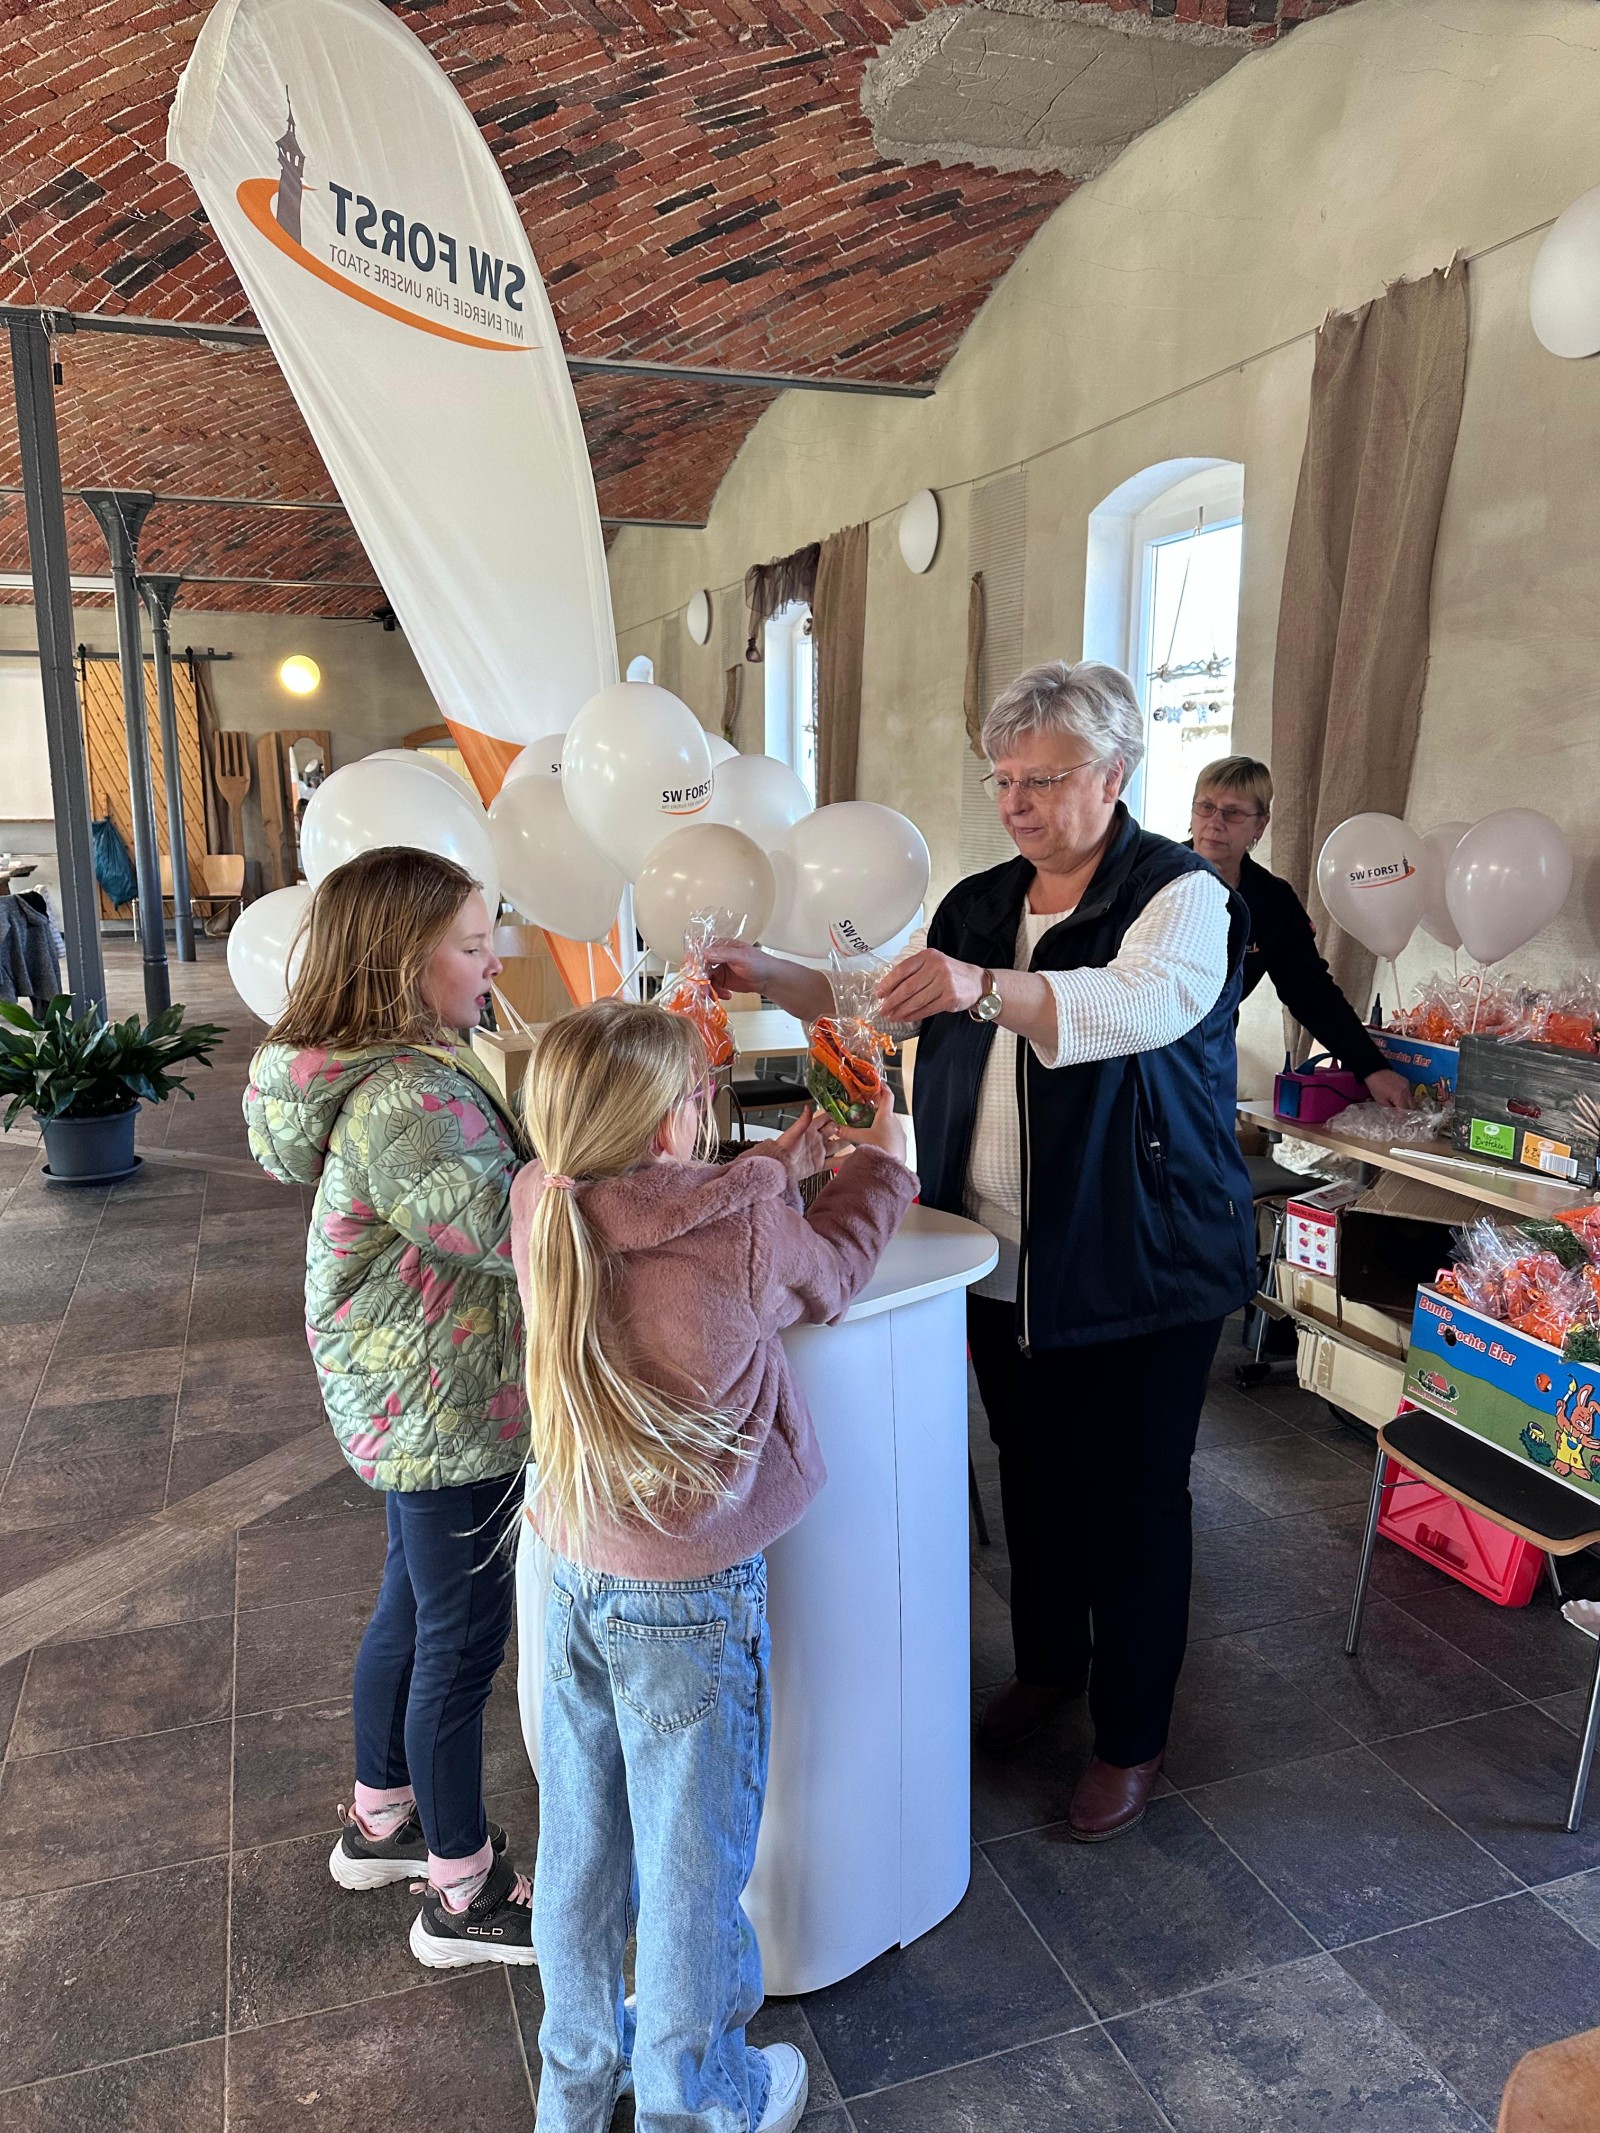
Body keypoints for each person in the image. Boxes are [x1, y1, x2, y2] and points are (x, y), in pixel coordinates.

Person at [710, 659, 1256, 1843]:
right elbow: (883, 993)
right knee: (1034, 1474)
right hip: (994, 1253)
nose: (1015, 802)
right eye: (1002, 780)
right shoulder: (977, 900)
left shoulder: (1181, 897)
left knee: (1136, 1501)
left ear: (1113, 775)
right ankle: (1051, 1664)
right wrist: (780, 977)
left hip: (1140, 1257)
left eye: (1042, 779)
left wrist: (984, 988)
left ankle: (1131, 1737)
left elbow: (1137, 1006)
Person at [510, 1000, 916, 2133]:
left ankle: (577, 2090)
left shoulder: (542, 1199)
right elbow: (828, 1276)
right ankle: (699, 2100)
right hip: (686, 1592)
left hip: (570, 1563)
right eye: (699, 1097)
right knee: (693, 1866)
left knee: (582, 1849)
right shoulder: (735, 1230)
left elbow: (673, 1210)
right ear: (675, 1119)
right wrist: (874, 1165)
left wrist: (769, 1169)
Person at [244, 847, 537, 1964]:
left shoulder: (397, 1063)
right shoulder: (410, 1091)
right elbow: (510, 1231)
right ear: (405, 964)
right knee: (460, 1644)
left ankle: (381, 1822)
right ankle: (461, 1896)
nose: (493, 958)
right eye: (472, 943)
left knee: (413, 1609)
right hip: (441, 1393)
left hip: (410, 1380)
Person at [1189, 755, 1410, 1107]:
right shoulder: (1152, 876)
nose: (1214, 823)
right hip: (1133, 1057)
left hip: (1208, 1059)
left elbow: (1310, 992)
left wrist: (1372, 1068)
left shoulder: (1273, 900)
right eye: (1205, 807)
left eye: (1232, 813)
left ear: (1260, 825)